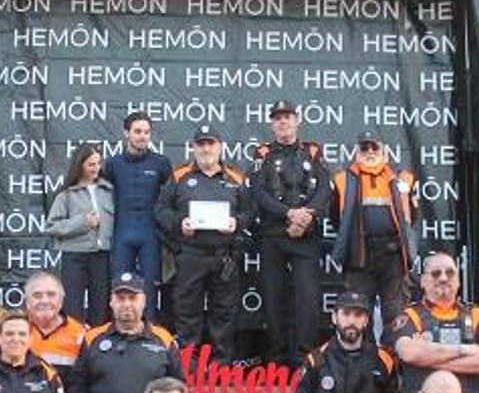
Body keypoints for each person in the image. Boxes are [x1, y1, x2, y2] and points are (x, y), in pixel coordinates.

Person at [155, 124, 252, 363]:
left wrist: (236, 222)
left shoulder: (236, 176)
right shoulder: (179, 176)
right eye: (201, 144)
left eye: (211, 143)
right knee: (187, 311)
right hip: (190, 254)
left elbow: (250, 210)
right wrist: (180, 223)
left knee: (225, 312)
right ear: (193, 147)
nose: (206, 148)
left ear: (220, 147)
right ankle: (187, 365)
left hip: (225, 255)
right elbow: (160, 210)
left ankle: (221, 366)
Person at [250, 100, 331, 365]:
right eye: (278, 118)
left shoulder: (313, 151)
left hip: (306, 236)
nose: (283, 122)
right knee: (273, 299)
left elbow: (325, 191)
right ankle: (275, 359)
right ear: (272, 124)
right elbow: (258, 192)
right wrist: (289, 213)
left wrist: (306, 216)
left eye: (287, 117)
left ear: (298, 120)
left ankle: (304, 359)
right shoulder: (262, 153)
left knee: (307, 300)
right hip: (273, 235)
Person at [385, 251, 479, 393]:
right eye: (436, 273)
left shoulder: (477, 314)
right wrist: (464, 351)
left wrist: (429, 357)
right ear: (423, 281)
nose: (444, 278)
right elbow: (409, 353)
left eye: (450, 273)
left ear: (459, 281)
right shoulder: (410, 315)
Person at [330, 130, 418, 329]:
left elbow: (413, 217)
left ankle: (394, 358)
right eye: (364, 148)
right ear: (357, 153)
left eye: (374, 147)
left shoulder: (403, 179)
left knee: (395, 312)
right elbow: (336, 218)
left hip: (393, 256)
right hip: (360, 256)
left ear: (385, 152)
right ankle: (362, 360)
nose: (369, 152)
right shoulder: (342, 179)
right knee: (358, 312)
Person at [104, 111, 172, 320]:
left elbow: (171, 197)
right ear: (126, 133)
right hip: (122, 234)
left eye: (146, 132)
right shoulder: (113, 164)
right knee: (120, 286)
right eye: (137, 131)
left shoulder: (161, 163)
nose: (143, 136)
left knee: (149, 287)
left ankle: (149, 333)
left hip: (150, 235)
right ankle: (118, 332)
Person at [47, 143, 114, 326]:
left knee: (101, 305)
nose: (96, 168)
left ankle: (97, 344)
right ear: (80, 165)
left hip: (101, 254)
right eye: (91, 164)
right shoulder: (66, 195)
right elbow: (52, 226)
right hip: (74, 255)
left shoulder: (109, 191)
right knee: (72, 306)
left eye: (98, 164)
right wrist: (82, 223)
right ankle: (72, 345)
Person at [25, 271, 86, 379]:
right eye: (37, 295)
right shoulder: (12, 331)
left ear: (61, 300)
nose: (44, 301)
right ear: (27, 302)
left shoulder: (80, 334)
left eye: (51, 294)